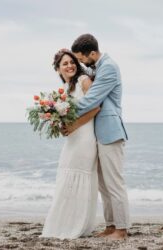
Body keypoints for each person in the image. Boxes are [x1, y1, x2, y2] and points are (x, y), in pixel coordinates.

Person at [64, 34, 130, 240]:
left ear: (92, 53)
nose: (80, 62)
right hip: (99, 134)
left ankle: (122, 229)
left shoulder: (109, 67)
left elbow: (92, 99)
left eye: (81, 58)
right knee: (103, 184)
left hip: (110, 132)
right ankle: (111, 226)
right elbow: (78, 70)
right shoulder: (98, 67)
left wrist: (65, 111)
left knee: (114, 183)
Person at [40, 49, 100, 239]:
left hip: (85, 137)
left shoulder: (84, 81)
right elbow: (65, 116)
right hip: (73, 139)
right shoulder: (64, 91)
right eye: (65, 64)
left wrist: (74, 125)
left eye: (72, 62)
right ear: (58, 70)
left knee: (77, 177)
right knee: (65, 176)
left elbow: (97, 106)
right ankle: (63, 223)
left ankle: (76, 226)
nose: (70, 66)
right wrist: (58, 124)